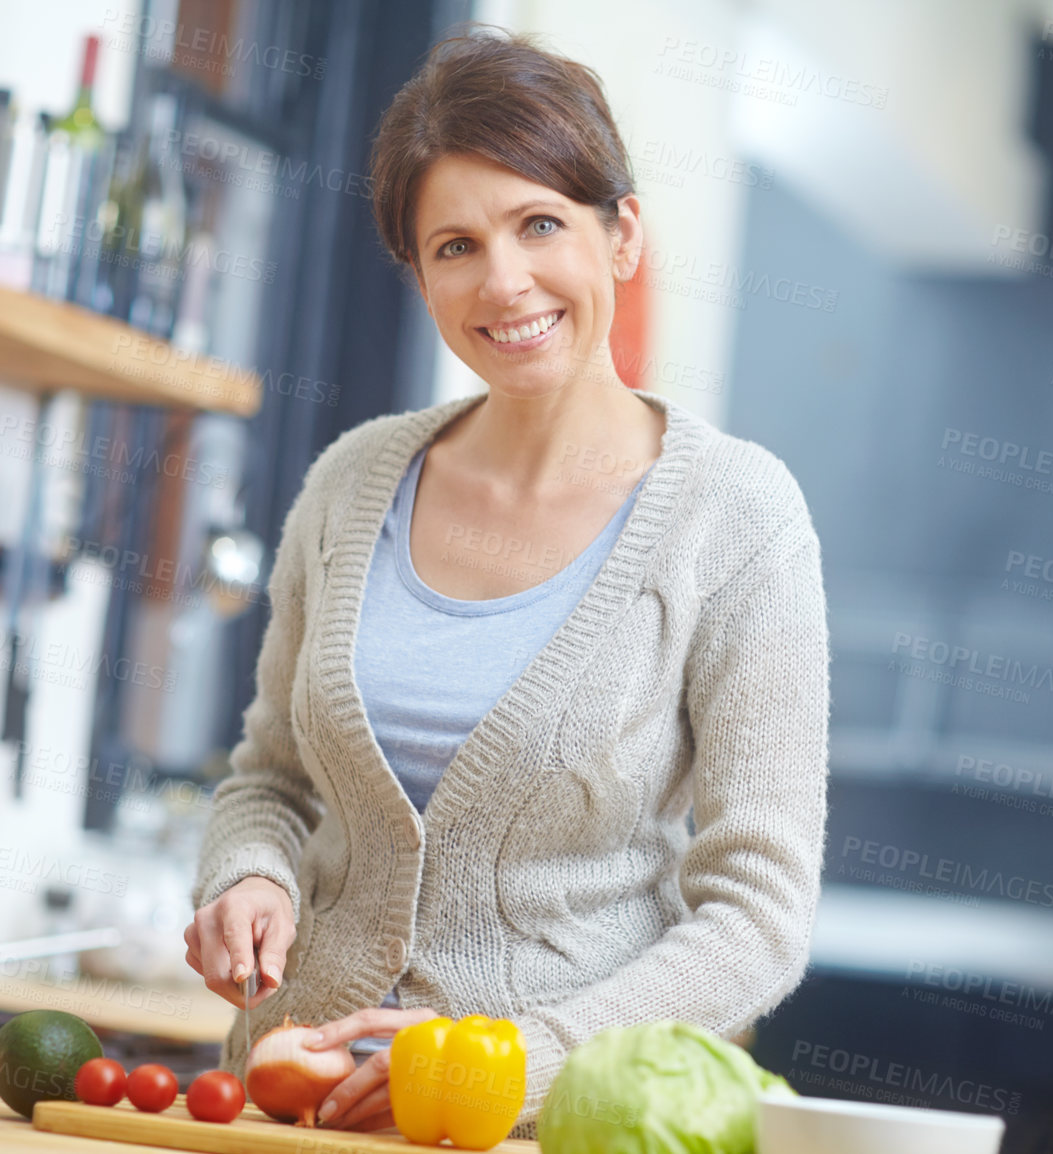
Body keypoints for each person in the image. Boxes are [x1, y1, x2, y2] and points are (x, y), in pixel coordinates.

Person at [184, 25, 830, 1138]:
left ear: (620, 235)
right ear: (420, 274)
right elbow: (270, 781)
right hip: (288, 1113)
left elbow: (758, 914)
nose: (504, 280)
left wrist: (516, 1062)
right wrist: (248, 878)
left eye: (539, 224)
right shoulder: (350, 485)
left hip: (553, 1126)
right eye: (455, 245)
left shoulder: (738, 517)